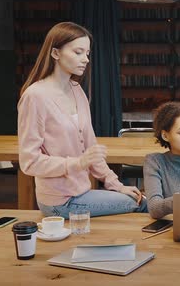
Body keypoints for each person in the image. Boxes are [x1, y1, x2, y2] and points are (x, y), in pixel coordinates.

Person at [18, 21, 146, 218]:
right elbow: (29, 162)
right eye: (78, 52)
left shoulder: (77, 91)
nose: (85, 59)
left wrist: (116, 185)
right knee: (142, 204)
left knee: (137, 198)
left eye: (87, 53)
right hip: (60, 201)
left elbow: (91, 150)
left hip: (82, 192)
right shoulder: (35, 96)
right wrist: (76, 163)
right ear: (55, 53)